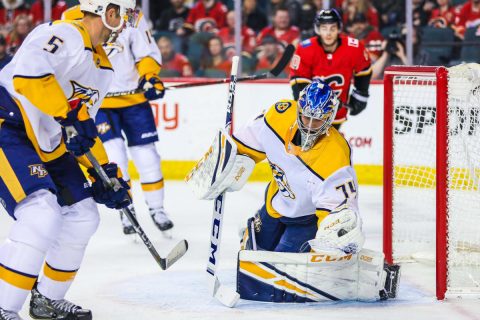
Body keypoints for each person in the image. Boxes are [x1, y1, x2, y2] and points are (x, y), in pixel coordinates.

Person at [186, 79, 400, 302]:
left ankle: (361, 273)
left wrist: (333, 238)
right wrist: (223, 165)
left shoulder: (335, 157)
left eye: (317, 121)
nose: (309, 125)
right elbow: (242, 147)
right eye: (306, 117)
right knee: (252, 258)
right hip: (275, 205)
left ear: (329, 118)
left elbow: (340, 216)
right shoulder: (277, 117)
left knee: (271, 278)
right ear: (299, 109)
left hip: (304, 219)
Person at [0, 0, 136, 319]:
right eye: (125, 14)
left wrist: (106, 172)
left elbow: (83, 123)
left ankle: (47, 298)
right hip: (10, 127)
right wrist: (67, 117)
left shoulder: (103, 69)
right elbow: (28, 76)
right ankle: (4, 307)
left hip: (49, 141)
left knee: (84, 216)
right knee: (40, 214)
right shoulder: (64, 33)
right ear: (108, 11)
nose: (127, 23)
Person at [63, 5, 173, 235]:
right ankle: (128, 209)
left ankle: (157, 208)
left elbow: (145, 52)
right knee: (115, 156)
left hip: (133, 100)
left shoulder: (130, 14)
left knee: (148, 156)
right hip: (97, 103)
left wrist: (150, 77)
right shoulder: (72, 16)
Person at [290, 9, 372, 129]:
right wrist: (313, 104)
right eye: (324, 28)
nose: (328, 33)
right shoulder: (304, 49)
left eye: (332, 28)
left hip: (338, 113)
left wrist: (361, 94)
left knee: (330, 145)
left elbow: (364, 71)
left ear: (339, 28)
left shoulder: (354, 47)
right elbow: (298, 81)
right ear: (318, 29)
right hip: (312, 115)